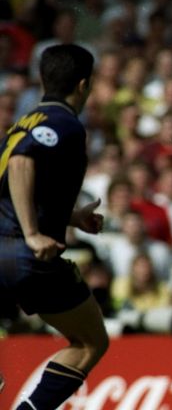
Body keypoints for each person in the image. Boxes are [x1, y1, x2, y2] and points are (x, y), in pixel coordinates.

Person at [0, 44, 109, 410]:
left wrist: (72, 216)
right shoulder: (63, 124)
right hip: (22, 253)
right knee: (91, 341)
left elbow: (13, 190)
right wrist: (32, 233)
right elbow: (20, 165)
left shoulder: (22, 122)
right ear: (83, 85)